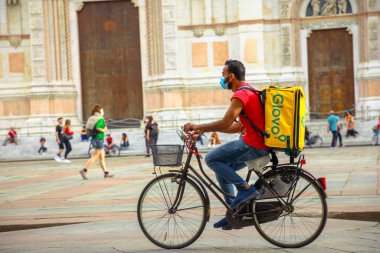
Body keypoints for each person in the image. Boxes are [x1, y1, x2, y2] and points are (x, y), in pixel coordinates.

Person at [184, 59, 269, 229]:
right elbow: (237, 126)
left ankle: (246, 189)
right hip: (258, 145)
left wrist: (199, 127)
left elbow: (224, 122)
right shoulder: (250, 90)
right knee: (222, 172)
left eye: (223, 75)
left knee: (211, 159)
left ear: (231, 76)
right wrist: (206, 129)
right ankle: (234, 213)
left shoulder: (240, 95)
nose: (222, 79)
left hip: (251, 145)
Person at [79, 104, 114, 180]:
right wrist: (104, 130)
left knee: (101, 158)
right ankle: (84, 170)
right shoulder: (100, 118)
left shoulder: (92, 118)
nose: (103, 111)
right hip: (99, 139)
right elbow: (98, 128)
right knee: (95, 156)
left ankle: (106, 173)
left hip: (94, 138)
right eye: (102, 110)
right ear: (100, 110)